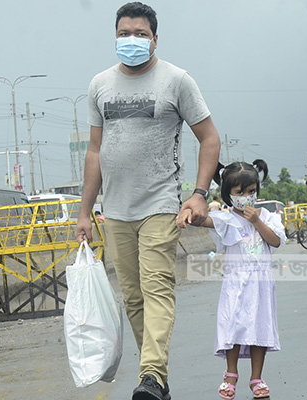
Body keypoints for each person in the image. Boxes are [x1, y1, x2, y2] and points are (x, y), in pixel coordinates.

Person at [74, 3, 221, 399]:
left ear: (155, 39)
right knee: (134, 298)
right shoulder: (99, 85)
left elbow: (209, 138)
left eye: (140, 34)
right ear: (115, 38)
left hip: (161, 204)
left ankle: (151, 375)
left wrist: (199, 194)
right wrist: (85, 211)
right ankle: (155, 380)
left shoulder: (177, 81)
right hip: (116, 210)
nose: (132, 40)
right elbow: (94, 151)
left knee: (157, 288)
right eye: (124, 34)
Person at [176, 159, 284, 400]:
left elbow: (275, 240)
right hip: (235, 285)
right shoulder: (225, 219)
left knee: (259, 327)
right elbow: (203, 220)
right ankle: (231, 374)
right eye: (240, 192)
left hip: (261, 286)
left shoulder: (267, 215)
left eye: (251, 191)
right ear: (228, 194)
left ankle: (257, 378)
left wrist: (256, 221)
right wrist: (188, 212)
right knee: (233, 326)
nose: (246, 197)